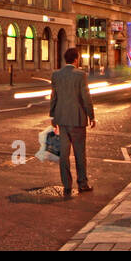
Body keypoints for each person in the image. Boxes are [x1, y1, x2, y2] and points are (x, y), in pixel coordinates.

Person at [49, 48, 96, 199]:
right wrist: (91, 116)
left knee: (64, 154)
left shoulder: (56, 75)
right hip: (77, 120)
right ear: (76, 59)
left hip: (61, 119)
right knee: (79, 153)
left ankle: (67, 185)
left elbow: (53, 97)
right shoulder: (81, 75)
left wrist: (53, 115)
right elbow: (86, 97)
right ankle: (82, 183)